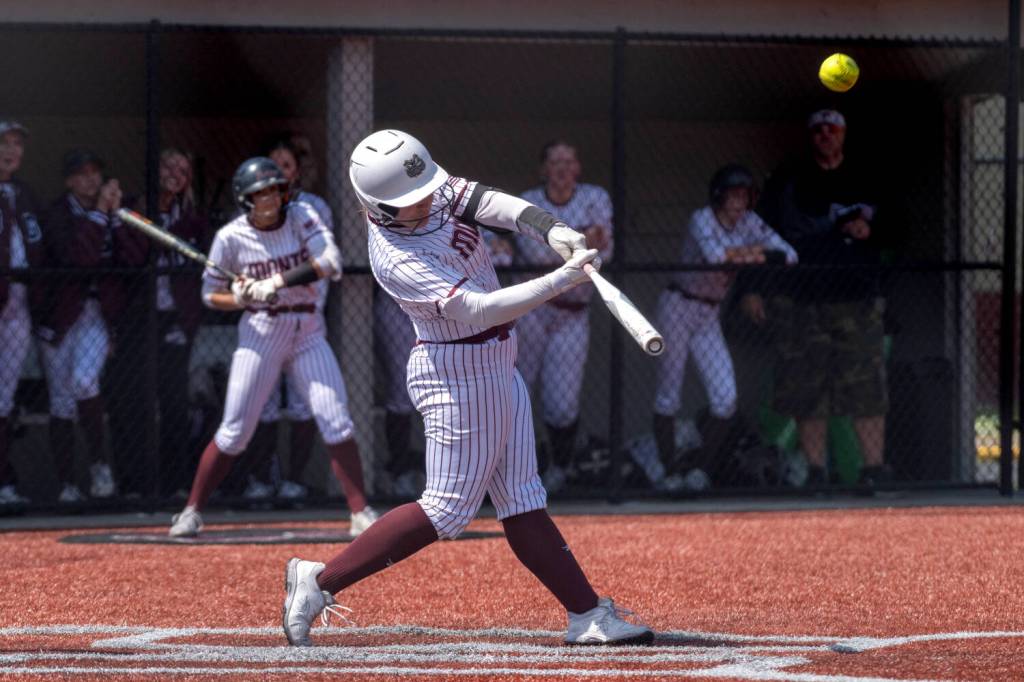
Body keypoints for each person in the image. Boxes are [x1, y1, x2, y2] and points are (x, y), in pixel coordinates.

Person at [280, 129, 653, 648]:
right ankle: (319, 582)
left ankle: (586, 614)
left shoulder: (425, 187)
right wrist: (560, 280)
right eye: (413, 201)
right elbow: (479, 308)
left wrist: (549, 229)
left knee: (522, 498)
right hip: (458, 372)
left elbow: (489, 202)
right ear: (379, 208)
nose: (430, 200)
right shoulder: (394, 255)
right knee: (446, 509)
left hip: (496, 362)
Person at [168, 157, 377, 537]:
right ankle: (191, 510)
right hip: (262, 332)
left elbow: (329, 261)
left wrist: (275, 282)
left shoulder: (301, 215)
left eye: (274, 191)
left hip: (309, 330)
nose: (269, 200)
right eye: (259, 194)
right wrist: (242, 298)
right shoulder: (230, 237)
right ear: (245, 200)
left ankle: (360, 511)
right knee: (235, 431)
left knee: (336, 419)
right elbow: (210, 295)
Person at [745, 109, 890, 489]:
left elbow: (897, 225)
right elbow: (762, 232)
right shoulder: (790, 179)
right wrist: (755, 287)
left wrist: (870, 229)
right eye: (818, 130)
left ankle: (872, 469)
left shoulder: (867, 176)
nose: (825, 135)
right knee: (808, 386)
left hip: (856, 296)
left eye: (833, 129)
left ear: (844, 134)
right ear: (811, 136)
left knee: (864, 384)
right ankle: (815, 471)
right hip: (803, 296)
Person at [651, 164, 797, 485]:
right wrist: (759, 252)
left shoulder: (751, 222)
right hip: (678, 305)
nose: (738, 203)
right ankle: (668, 471)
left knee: (725, 398)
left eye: (744, 196)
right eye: (732, 196)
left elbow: (789, 255)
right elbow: (718, 256)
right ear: (719, 196)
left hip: (708, 314)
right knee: (668, 395)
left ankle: (699, 471)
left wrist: (748, 251)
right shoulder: (701, 218)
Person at [35, 150, 148, 502]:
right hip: (60, 314)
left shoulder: (120, 209)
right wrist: (99, 214)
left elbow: (135, 257)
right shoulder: (56, 213)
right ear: (69, 180)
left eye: (95, 173)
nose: (90, 180)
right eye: (81, 174)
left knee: (84, 381)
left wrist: (112, 216)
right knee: (61, 402)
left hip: (98, 316)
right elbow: (79, 259)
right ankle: (67, 485)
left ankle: (100, 465)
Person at [513, 141, 613, 492]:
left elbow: (603, 249)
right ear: (543, 169)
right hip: (532, 311)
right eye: (554, 161)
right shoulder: (529, 199)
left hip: (572, 313)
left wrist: (568, 245)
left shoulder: (595, 195)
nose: (561, 168)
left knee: (562, 404)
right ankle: (513, 470)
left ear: (578, 168)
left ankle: (560, 468)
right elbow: (533, 252)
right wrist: (584, 238)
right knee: (516, 392)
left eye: (568, 161)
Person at [151, 148, 211, 498]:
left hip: (177, 318)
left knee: (175, 400)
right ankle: (139, 483)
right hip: (141, 320)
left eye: (182, 169)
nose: (175, 173)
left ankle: (175, 482)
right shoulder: (140, 209)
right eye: (168, 166)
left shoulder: (193, 219)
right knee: (139, 399)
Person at [0, 120, 44, 505]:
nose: (10, 150)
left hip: (17, 299)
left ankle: (5, 480)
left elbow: (36, 246)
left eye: (16, 143)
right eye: (3, 143)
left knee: (5, 396)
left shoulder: (24, 194)